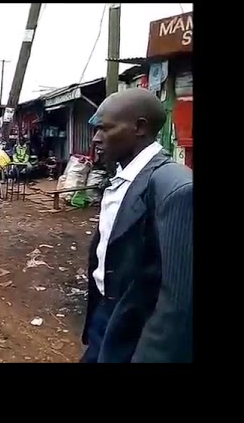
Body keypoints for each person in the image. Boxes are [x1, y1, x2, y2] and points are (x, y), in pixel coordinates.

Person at [82, 88, 192, 363]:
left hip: (138, 332)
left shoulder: (175, 187)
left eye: (105, 129)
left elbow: (178, 301)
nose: (96, 138)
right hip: (108, 318)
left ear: (139, 128)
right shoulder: (123, 175)